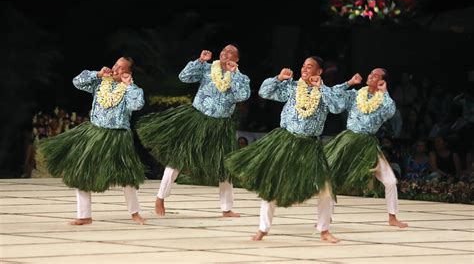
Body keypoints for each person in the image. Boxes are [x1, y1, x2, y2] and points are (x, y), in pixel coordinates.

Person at [226, 57, 340, 243]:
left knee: (325, 189)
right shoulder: (292, 86)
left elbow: (337, 107)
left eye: (309, 66)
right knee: (272, 183)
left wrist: (322, 88)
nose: (304, 69)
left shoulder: (326, 92)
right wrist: (278, 78)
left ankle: (324, 230)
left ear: (319, 72)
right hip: (286, 141)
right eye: (303, 65)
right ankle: (263, 228)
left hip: (310, 145)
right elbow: (264, 92)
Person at [137, 45, 250, 217]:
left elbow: (243, 96)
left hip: (221, 126)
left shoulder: (241, 78)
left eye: (230, 53)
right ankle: (160, 198)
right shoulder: (206, 68)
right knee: (178, 158)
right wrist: (199, 61)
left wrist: (233, 75)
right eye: (224, 51)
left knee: (224, 166)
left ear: (236, 59)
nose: (225, 54)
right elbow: (184, 77)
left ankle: (226, 208)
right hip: (197, 120)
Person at [41, 57, 146, 225]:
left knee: (126, 176)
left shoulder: (131, 90)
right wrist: (97, 74)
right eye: (115, 65)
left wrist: (129, 85)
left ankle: (134, 213)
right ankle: (84, 215)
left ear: (128, 73)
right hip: (94, 133)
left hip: (117, 137)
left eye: (120, 68)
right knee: (81, 171)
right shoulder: (100, 83)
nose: (115, 69)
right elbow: (77, 81)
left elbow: (137, 105)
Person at [323, 69, 408, 228]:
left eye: (376, 76)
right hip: (348, 141)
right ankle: (325, 218)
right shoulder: (356, 94)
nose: (371, 76)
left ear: (382, 81)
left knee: (390, 181)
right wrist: (349, 83)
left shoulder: (383, 100)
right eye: (371, 74)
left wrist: (385, 92)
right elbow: (335, 101)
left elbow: (390, 112)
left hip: (368, 143)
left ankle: (392, 217)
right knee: (330, 178)